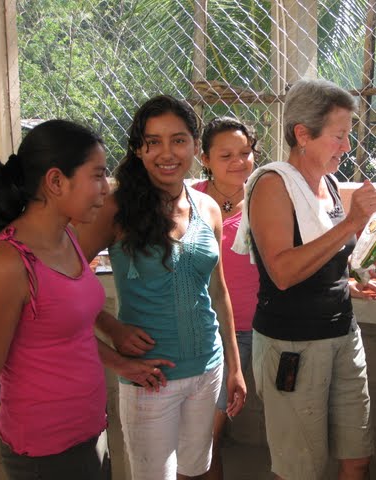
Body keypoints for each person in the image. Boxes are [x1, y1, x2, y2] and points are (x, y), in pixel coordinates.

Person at [0, 119, 173, 480]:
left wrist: (122, 364)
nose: (106, 188)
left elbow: (70, 333)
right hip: (43, 452)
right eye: (98, 175)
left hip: (88, 433)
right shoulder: (7, 262)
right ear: (56, 181)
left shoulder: (69, 237)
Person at [76, 95, 247, 480]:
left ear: (195, 146)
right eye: (153, 142)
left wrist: (234, 367)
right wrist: (112, 330)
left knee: (195, 471)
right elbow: (61, 282)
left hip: (208, 368)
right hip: (149, 377)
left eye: (178, 140)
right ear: (139, 149)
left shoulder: (207, 207)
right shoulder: (115, 209)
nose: (167, 153)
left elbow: (218, 292)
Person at [233, 78, 376, 480]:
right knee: (299, 470)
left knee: (357, 456)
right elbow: (283, 272)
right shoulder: (273, 185)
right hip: (293, 344)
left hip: (342, 333)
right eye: (338, 136)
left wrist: (360, 272)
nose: (346, 146)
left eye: (347, 135)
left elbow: (327, 260)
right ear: (303, 134)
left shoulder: (330, 185)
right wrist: (353, 222)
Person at [191, 116, 259, 480]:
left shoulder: (264, 198)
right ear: (205, 159)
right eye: (226, 155)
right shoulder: (192, 201)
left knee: (207, 439)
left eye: (245, 152)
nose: (238, 162)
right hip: (204, 332)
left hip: (253, 332)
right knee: (203, 441)